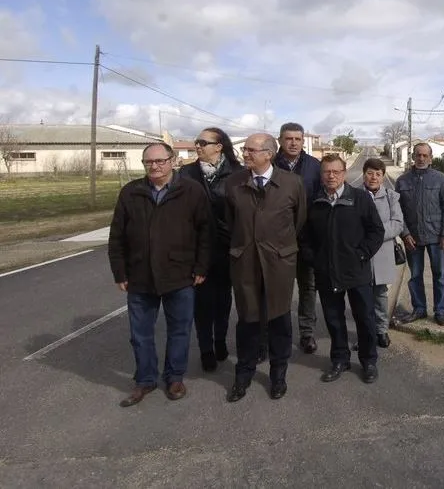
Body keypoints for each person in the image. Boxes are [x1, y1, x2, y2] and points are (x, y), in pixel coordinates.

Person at [107, 143, 212, 407]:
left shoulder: (192, 191)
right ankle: (145, 379)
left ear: (172, 161)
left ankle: (174, 377)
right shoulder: (131, 192)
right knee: (140, 334)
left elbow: (205, 232)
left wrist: (201, 267)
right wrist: (120, 272)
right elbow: (117, 236)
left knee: (179, 330)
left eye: (160, 161)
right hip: (140, 276)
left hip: (180, 274)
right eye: (148, 162)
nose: (154, 166)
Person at [224, 133, 307, 402]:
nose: (245, 154)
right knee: (247, 321)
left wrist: (278, 247)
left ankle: (278, 375)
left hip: (279, 263)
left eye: (251, 150)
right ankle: (243, 374)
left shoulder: (292, 183)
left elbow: (298, 221)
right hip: (245, 262)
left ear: (269, 154)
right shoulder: (234, 183)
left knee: (279, 320)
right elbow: (229, 222)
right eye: (245, 149)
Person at [302, 154, 384, 384]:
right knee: (333, 319)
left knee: (365, 318)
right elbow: (305, 237)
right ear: (321, 175)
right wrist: (315, 260)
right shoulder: (314, 201)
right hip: (327, 272)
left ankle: (369, 361)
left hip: (356, 271)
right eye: (327, 172)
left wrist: (362, 254)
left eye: (336, 171)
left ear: (344, 173)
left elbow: (376, 231)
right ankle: (340, 359)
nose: (331, 176)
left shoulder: (360, 198)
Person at [180, 127, 242, 372]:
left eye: (203, 142)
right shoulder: (186, 173)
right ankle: (206, 348)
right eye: (197, 142)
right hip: (197, 249)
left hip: (227, 247)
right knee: (202, 302)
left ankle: (220, 340)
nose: (198, 146)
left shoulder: (237, 173)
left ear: (219, 146)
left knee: (223, 299)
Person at [271, 122, 322, 355]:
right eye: (288, 138)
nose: (293, 143)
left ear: (303, 141)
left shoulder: (314, 167)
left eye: (298, 139)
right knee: (277, 289)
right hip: (276, 240)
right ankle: (276, 334)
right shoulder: (269, 165)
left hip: (307, 239)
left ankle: (307, 333)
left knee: (308, 287)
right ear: (280, 140)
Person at [395, 142, 444, 326]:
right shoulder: (402, 181)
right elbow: (397, 212)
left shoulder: (441, 180)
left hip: (436, 237)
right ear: (413, 157)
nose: (421, 158)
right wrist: (405, 234)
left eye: (425, 155)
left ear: (430, 158)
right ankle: (419, 309)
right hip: (412, 238)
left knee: (439, 275)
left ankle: (440, 311)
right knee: (415, 275)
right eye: (418, 155)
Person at [359, 157, 404, 347]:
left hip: (382, 252)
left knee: (380, 295)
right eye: (370, 173)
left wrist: (375, 234)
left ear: (383, 177)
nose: (374, 177)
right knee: (362, 296)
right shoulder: (354, 195)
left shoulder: (391, 197)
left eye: (378, 174)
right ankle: (365, 333)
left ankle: (381, 330)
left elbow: (397, 224)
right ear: (364, 175)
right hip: (361, 253)